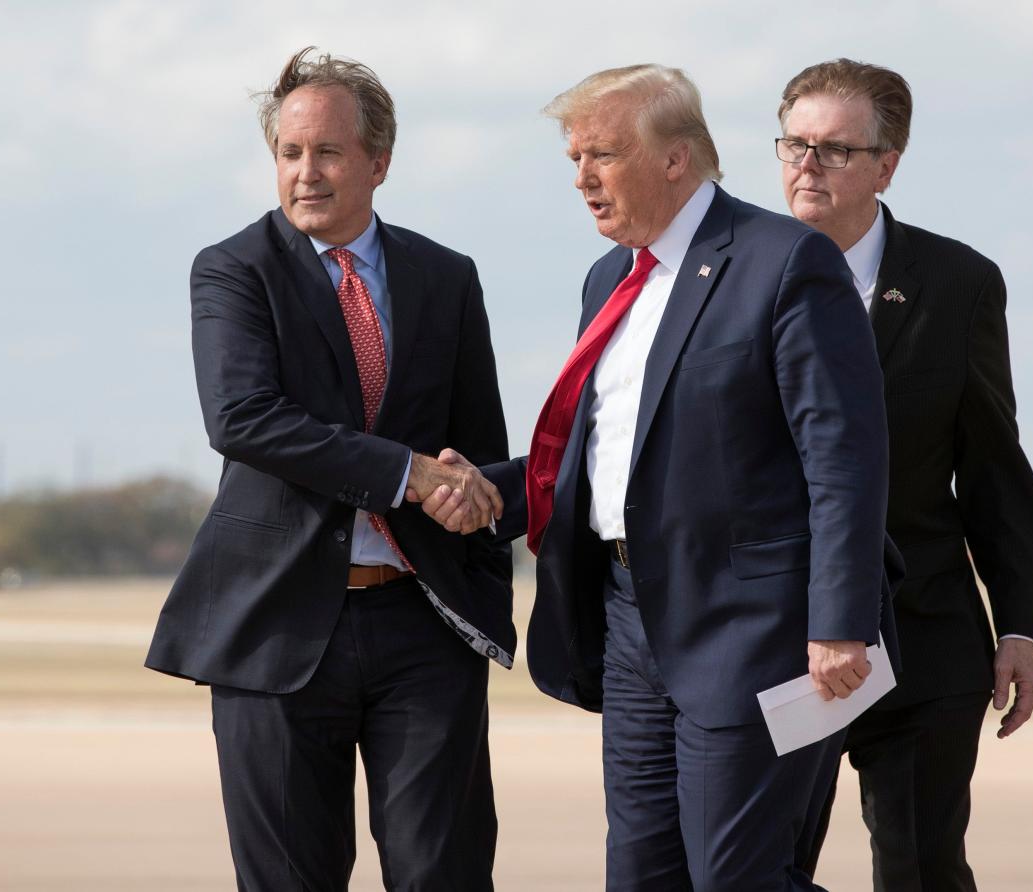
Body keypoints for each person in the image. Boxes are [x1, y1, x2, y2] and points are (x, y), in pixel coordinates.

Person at [421, 64, 899, 891]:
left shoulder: (786, 261)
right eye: (574, 158)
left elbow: (844, 461)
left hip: (757, 631)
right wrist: (493, 491)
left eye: (601, 155)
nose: (581, 179)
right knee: (640, 878)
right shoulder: (611, 279)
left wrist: (840, 621)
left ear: (677, 159)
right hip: (630, 626)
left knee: (735, 880)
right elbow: (604, 457)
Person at [145, 47, 512, 892]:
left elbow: (477, 446)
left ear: (379, 161)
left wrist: (473, 511)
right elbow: (243, 420)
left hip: (424, 625)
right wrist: (410, 475)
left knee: (446, 875)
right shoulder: (234, 270)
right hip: (276, 628)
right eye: (290, 153)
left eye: (329, 152)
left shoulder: (445, 277)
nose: (305, 173)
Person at [777, 59, 1033, 890]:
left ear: (886, 165)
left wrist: (1019, 626)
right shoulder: (731, 274)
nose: (806, 165)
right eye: (793, 144)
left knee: (924, 867)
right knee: (760, 867)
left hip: (925, 631)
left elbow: (993, 464)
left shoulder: (957, 283)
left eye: (833, 149)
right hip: (779, 635)